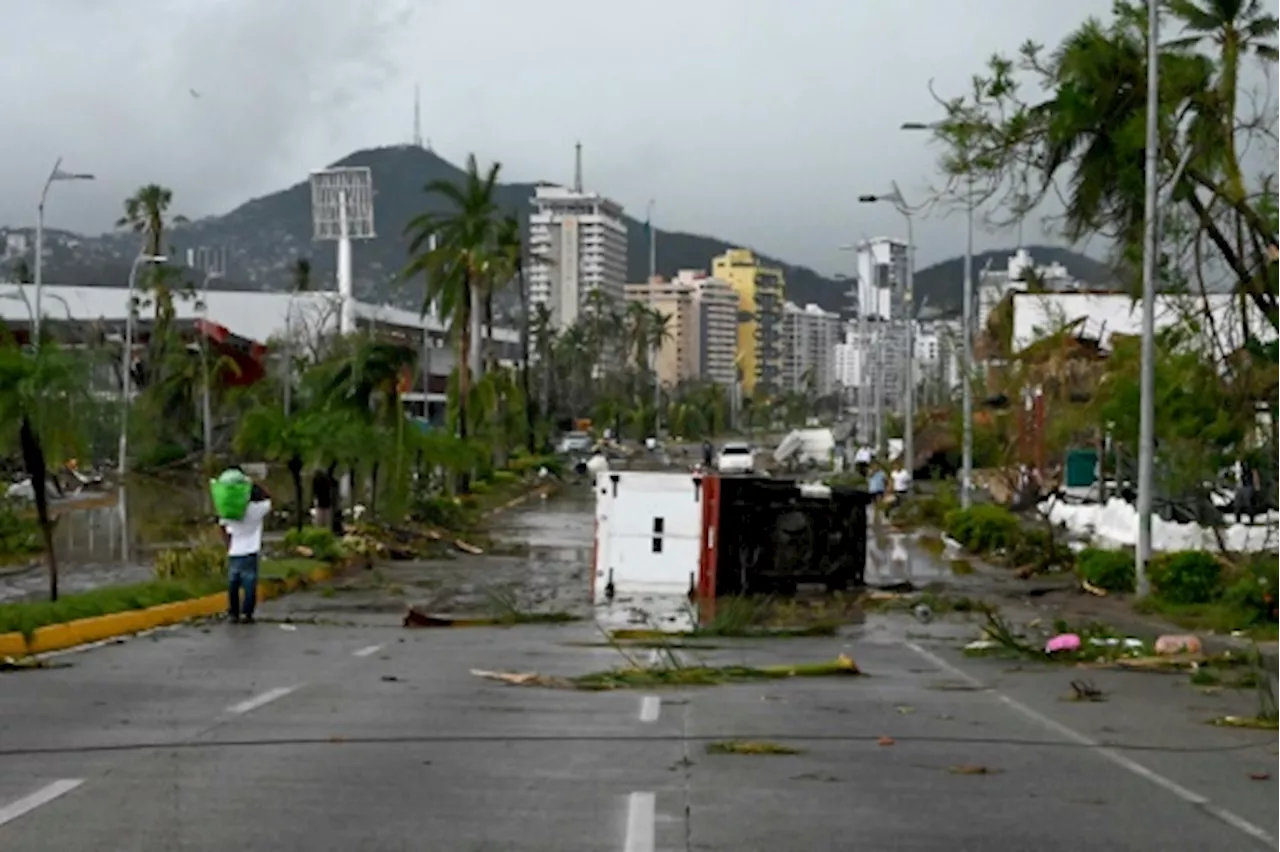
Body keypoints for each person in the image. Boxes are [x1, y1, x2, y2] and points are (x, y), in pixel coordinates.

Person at [220, 478, 272, 624]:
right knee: (249, 583)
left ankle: (233, 613)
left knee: (233, 584)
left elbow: (222, 527)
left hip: (234, 551)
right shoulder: (257, 509)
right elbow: (269, 497)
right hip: (251, 550)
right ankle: (246, 614)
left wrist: (228, 545)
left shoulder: (231, 509)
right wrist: (254, 483)